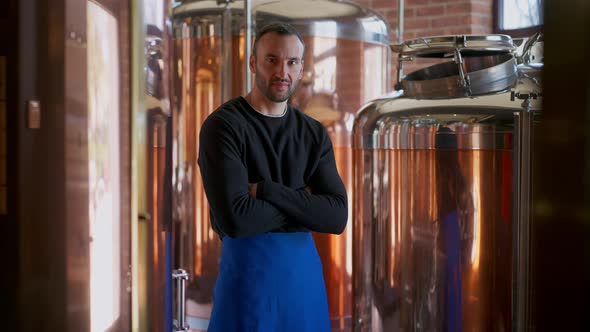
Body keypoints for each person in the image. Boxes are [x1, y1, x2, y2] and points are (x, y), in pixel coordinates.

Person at [198, 22, 348, 332]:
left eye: (292, 62)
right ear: (253, 63)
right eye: (272, 60)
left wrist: (265, 190)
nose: (283, 71)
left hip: (304, 290)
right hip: (247, 287)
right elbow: (236, 220)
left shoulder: (313, 133)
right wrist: (305, 204)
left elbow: (335, 216)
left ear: (301, 68)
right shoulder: (224, 126)